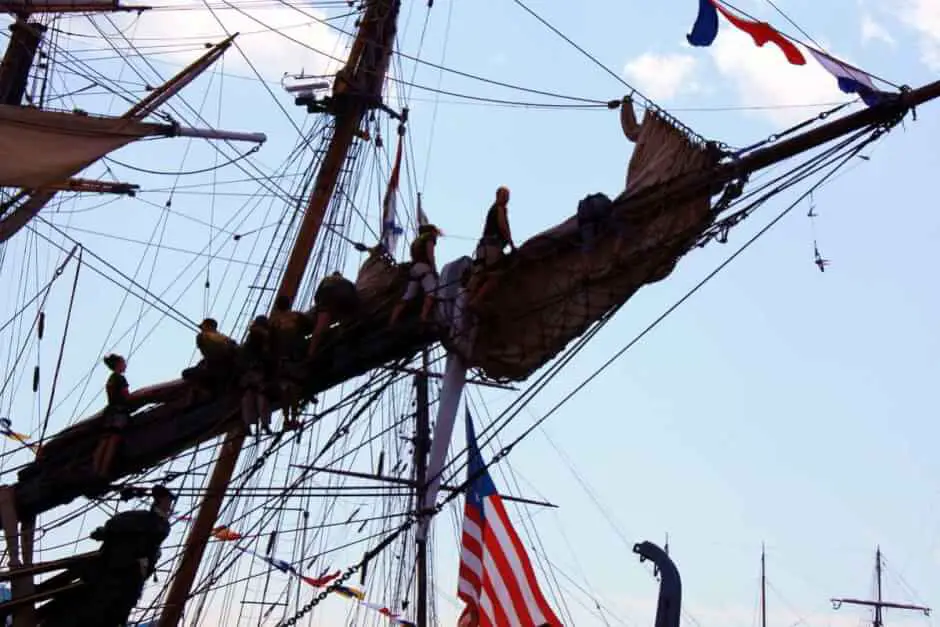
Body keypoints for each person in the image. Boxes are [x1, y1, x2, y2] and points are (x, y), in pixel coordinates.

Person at [468, 186, 515, 309]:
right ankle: (476, 301)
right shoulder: (500, 209)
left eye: (508, 197)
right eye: (504, 196)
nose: (506, 199)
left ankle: (469, 300)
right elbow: (503, 227)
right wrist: (512, 245)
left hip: (483, 247)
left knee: (480, 274)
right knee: (496, 274)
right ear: (497, 196)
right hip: (492, 247)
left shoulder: (492, 209)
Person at [389, 224, 441, 325]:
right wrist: (434, 270)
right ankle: (423, 316)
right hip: (424, 268)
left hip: (414, 269)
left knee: (408, 296)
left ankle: (392, 320)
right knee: (432, 291)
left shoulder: (416, 242)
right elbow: (430, 255)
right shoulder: (429, 238)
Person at [92, 353, 131, 478]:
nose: (125, 364)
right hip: (119, 413)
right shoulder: (120, 378)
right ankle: (103, 470)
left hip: (109, 413)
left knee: (104, 440)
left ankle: (96, 469)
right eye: (123, 362)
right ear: (118, 364)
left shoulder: (110, 379)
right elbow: (126, 397)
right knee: (113, 440)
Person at [307, 271, 358, 358]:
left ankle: (310, 353)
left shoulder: (327, 279)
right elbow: (355, 296)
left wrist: (318, 307)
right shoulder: (348, 282)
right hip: (347, 302)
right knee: (344, 323)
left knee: (321, 326)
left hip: (328, 299)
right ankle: (343, 339)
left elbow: (317, 296)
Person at [240, 315, 273, 437]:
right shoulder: (264, 336)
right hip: (258, 371)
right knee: (262, 397)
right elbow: (266, 354)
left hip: (247, 372)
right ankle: (265, 424)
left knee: (248, 398)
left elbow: (243, 355)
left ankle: (247, 425)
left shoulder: (251, 336)